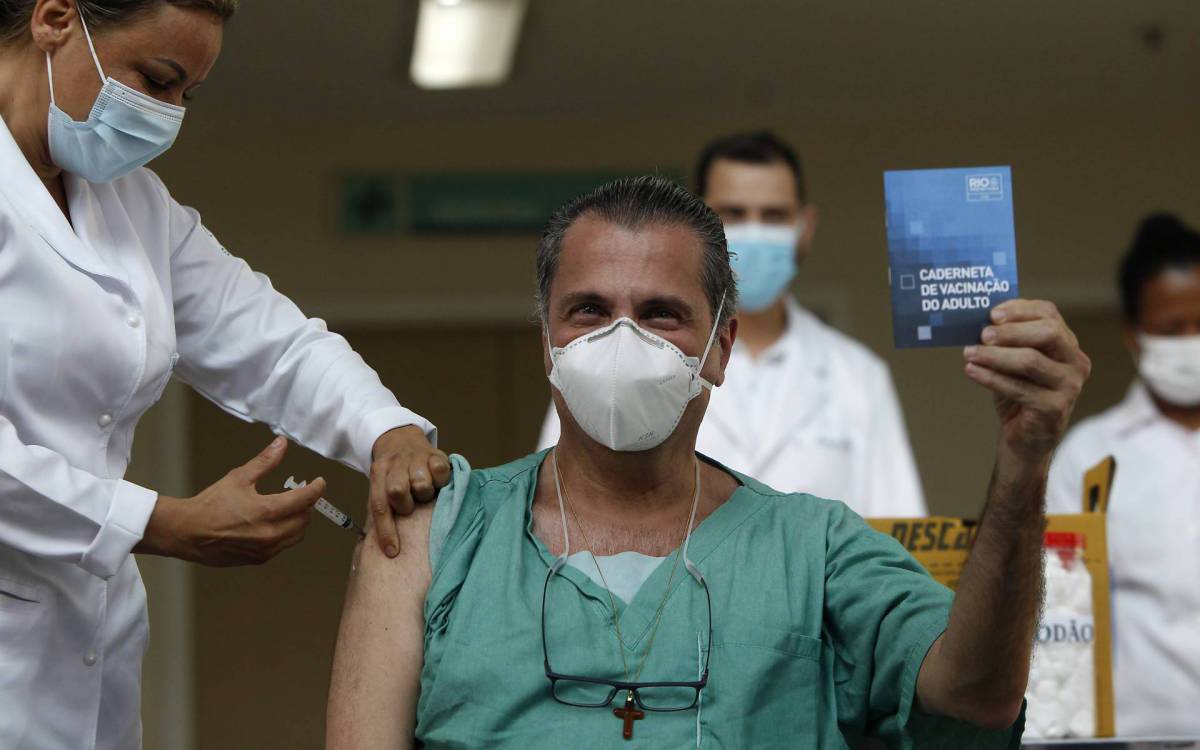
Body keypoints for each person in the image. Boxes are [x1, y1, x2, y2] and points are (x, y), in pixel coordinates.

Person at [327, 176, 1091, 748]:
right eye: (588, 310)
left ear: (721, 349)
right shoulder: (436, 531)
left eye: (661, 313)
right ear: (547, 341)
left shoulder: (813, 548)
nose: (621, 340)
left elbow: (976, 695)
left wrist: (1024, 463)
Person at [0, 1, 449, 747]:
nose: (168, 114)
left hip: (86, 652)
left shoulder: (132, 204)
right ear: (54, 18)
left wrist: (386, 429)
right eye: (156, 78)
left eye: (186, 95)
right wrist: (162, 522)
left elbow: (269, 341)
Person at [537, 131, 925, 517]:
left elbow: (898, 533)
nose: (754, 232)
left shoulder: (858, 376)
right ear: (697, 219)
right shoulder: (611, 356)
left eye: (773, 216)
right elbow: (557, 505)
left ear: (804, 227)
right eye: (734, 214)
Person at [1046, 213, 1200, 737]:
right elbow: (1059, 617)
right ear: (1134, 335)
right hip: (1139, 735)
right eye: (1172, 329)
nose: (1192, 341)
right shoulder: (1089, 457)